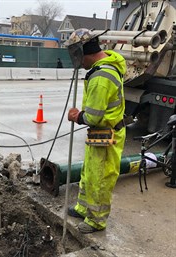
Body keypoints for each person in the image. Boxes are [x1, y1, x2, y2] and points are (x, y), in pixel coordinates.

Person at [66, 28, 126, 233]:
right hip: (100, 133)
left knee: (101, 179)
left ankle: (96, 221)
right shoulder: (101, 70)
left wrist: (76, 116)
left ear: (85, 51)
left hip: (108, 134)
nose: (78, 61)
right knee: (90, 172)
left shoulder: (101, 77)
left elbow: (93, 117)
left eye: (77, 55)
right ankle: (83, 208)